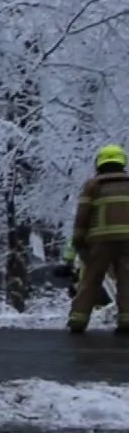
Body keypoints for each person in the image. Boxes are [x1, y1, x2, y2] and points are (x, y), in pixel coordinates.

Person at [65, 143, 129, 335]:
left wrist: (77, 242)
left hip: (99, 242)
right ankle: (126, 320)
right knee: (127, 280)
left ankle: (78, 320)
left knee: (91, 279)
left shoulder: (93, 185)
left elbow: (82, 216)